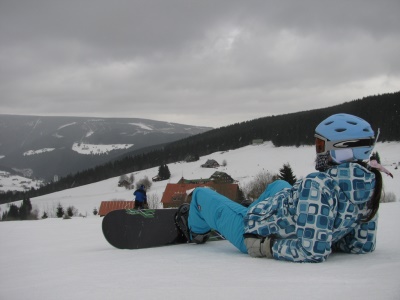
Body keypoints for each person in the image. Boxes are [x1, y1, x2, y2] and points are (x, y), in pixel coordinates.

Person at [175, 113, 393, 263]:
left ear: (342, 150)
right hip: (278, 218)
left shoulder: (317, 185)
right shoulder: (369, 185)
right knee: (280, 185)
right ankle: (246, 209)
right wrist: (325, 232)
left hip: (252, 233)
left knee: (201, 195)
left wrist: (266, 246)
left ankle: (195, 231)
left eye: (321, 146)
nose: (318, 152)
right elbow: (360, 246)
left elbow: (312, 252)